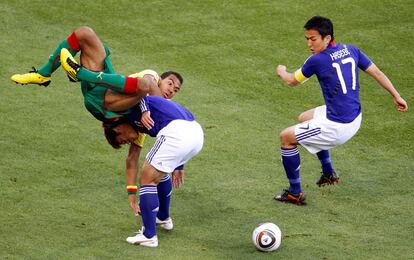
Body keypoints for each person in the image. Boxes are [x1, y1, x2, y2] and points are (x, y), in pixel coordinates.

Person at [274, 16, 408, 205]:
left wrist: (281, 70)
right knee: (304, 118)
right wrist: (396, 95)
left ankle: (294, 193)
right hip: (354, 118)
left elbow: (291, 81)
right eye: (307, 39)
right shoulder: (351, 50)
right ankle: (328, 172)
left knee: (286, 138)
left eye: (313, 39)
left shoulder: (317, 60)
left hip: (337, 126)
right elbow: (377, 72)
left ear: (327, 38)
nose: (309, 44)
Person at [104, 95, 204, 247]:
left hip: (178, 133)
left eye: (123, 140)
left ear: (118, 128)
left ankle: (148, 235)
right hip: (195, 133)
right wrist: (179, 164)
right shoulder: (136, 123)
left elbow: (142, 90)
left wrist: (144, 111)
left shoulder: (126, 111)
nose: (128, 142)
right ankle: (163, 217)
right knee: (157, 172)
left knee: (146, 177)